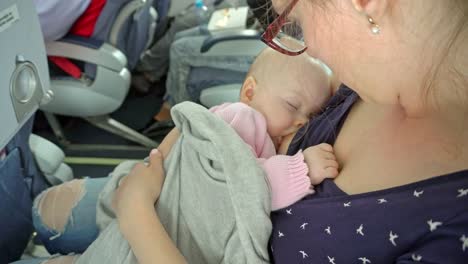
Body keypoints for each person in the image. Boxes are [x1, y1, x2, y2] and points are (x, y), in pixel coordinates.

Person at [111, 0, 468, 263]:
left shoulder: (451, 235)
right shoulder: (363, 85)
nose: (308, 44)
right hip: (172, 195)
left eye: (294, 21)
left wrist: (135, 212)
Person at [11, 47, 335, 264]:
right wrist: (300, 168)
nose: (302, 121)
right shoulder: (241, 117)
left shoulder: (259, 130)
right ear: (249, 92)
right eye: (294, 106)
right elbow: (249, 181)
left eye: (312, 114)